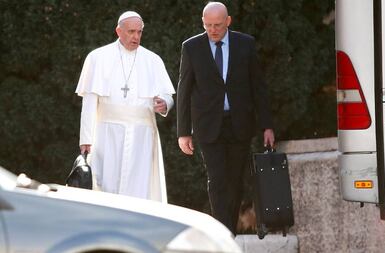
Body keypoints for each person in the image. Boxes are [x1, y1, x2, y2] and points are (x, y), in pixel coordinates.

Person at [176, 2, 275, 234]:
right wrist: (183, 132)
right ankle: (223, 234)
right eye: (208, 25)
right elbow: (184, 89)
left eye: (218, 25)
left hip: (239, 124)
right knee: (217, 180)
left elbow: (258, 87)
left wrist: (267, 125)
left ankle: (228, 232)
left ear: (228, 21)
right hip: (209, 126)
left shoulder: (245, 44)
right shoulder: (191, 47)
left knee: (235, 181)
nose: (213, 30)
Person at [75, 11, 175, 203]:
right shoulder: (97, 57)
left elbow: (167, 95)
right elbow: (88, 101)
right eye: (131, 32)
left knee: (140, 186)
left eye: (139, 32)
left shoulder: (152, 60)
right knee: (105, 183)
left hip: (142, 136)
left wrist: (164, 104)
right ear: (118, 31)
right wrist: (86, 139)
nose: (136, 37)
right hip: (106, 133)